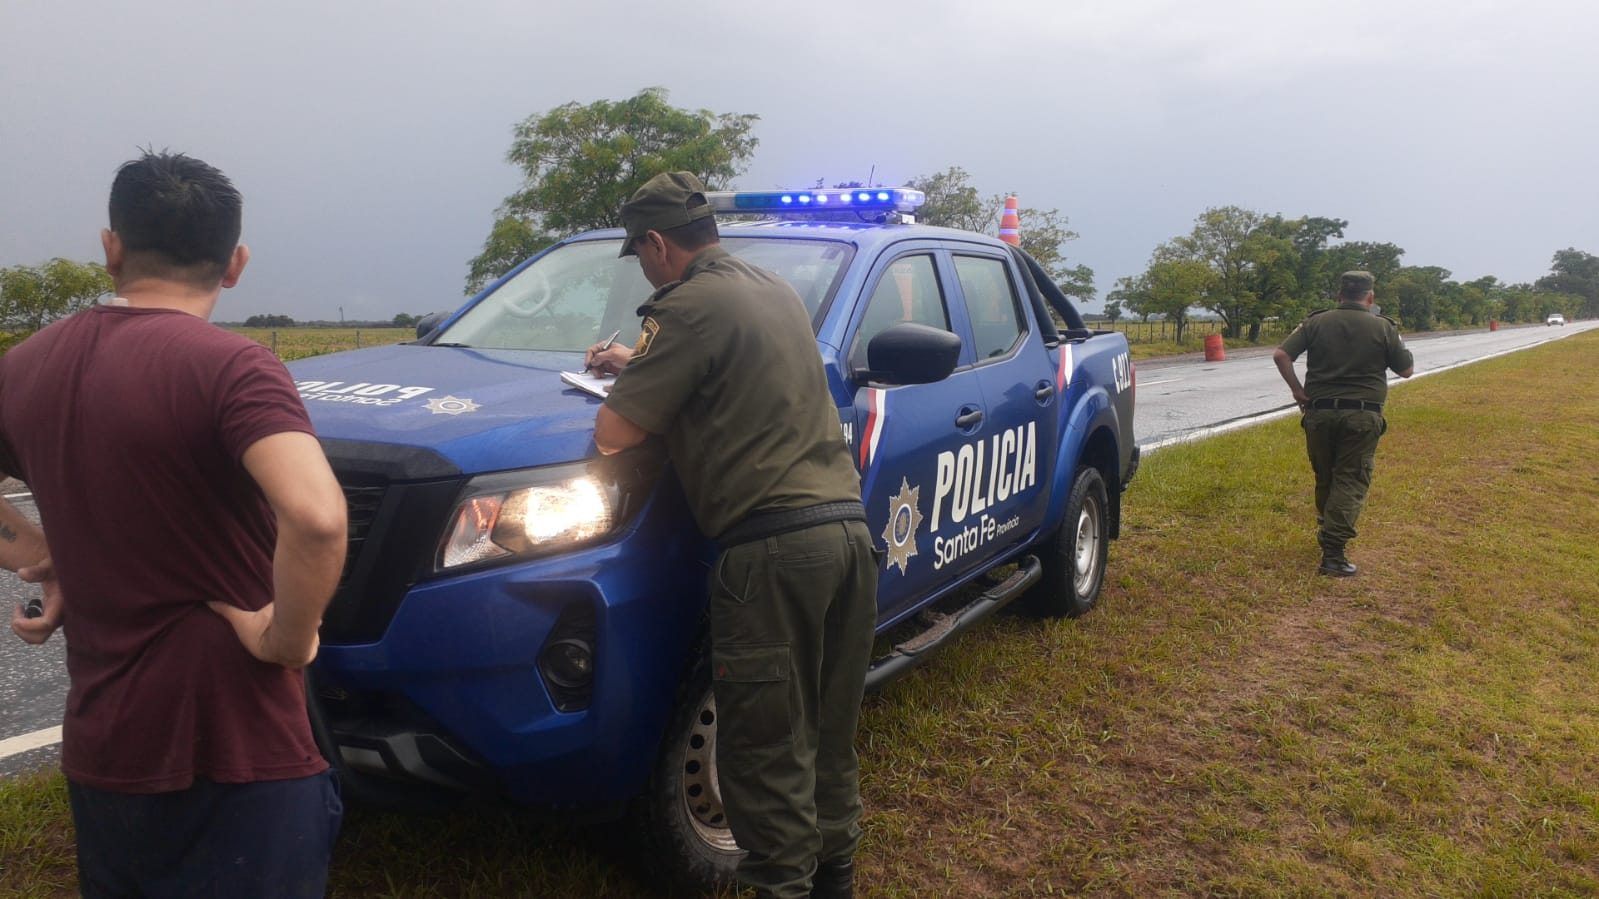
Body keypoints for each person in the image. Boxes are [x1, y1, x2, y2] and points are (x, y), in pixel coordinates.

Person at [0, 150, 348, 897]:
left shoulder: (25, 365)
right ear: (235, 264)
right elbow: (317, 519)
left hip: (105, 748)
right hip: (237, 744)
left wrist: (41, 549)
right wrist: (286, 637)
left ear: (112, 248)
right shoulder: (235, 368)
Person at [586, 172, 878, 899]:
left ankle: (781, 886)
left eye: (640, 254)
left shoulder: (685, 307)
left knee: (761, 753)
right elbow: (744, 378)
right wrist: (641, 365)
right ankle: (834, 881)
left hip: (770, 553)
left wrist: (631, 383)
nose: (643, 268)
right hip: (845, 539)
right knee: (826, 736)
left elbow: (615, 431)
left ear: (656, 245)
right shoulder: (771, 289)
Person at [1273, 271, 1414, 576]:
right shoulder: (1383, 327)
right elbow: (1406, 370)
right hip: (1361, 416)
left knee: (1326, 476)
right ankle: (1333, 554)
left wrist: (1298, 391)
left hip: (1319, 413)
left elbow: (1282, 355)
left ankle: (1327, 530)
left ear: (1339, 295)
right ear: (1370, 297)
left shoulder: (1315, 322)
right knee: (1350, 479)